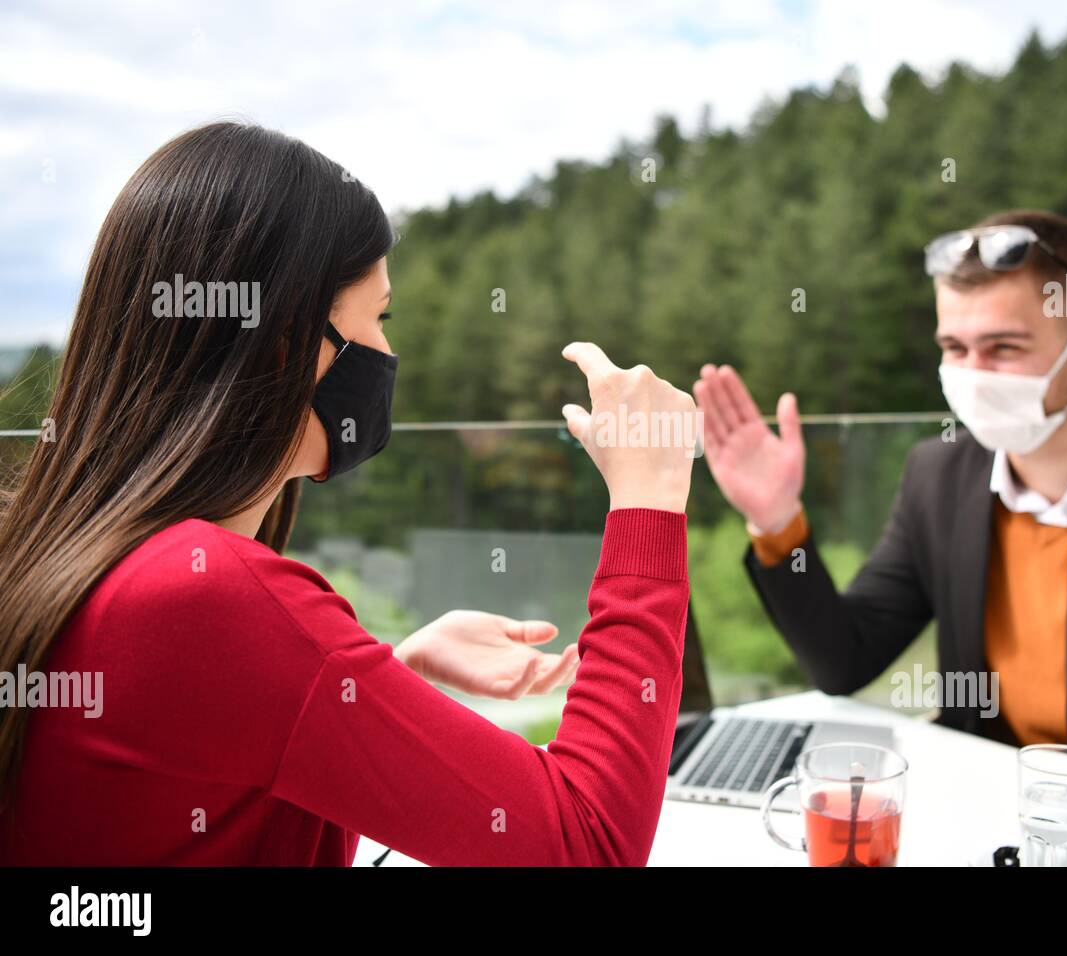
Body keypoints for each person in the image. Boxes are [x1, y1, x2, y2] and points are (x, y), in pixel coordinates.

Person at [0, 122, 697, 865]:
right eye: (379, 316)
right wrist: (648, 502)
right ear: (284, 344)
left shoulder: (73, 555)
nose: (388, 353)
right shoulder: (200, 595)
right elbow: (585, 842)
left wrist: (380, 679)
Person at [693, 209, 1067, 833]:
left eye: (1004, 347)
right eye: (954, 348)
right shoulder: (939, 475)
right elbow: (844, 659)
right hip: (995, 815)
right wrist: (776, 521)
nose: (973, 375)